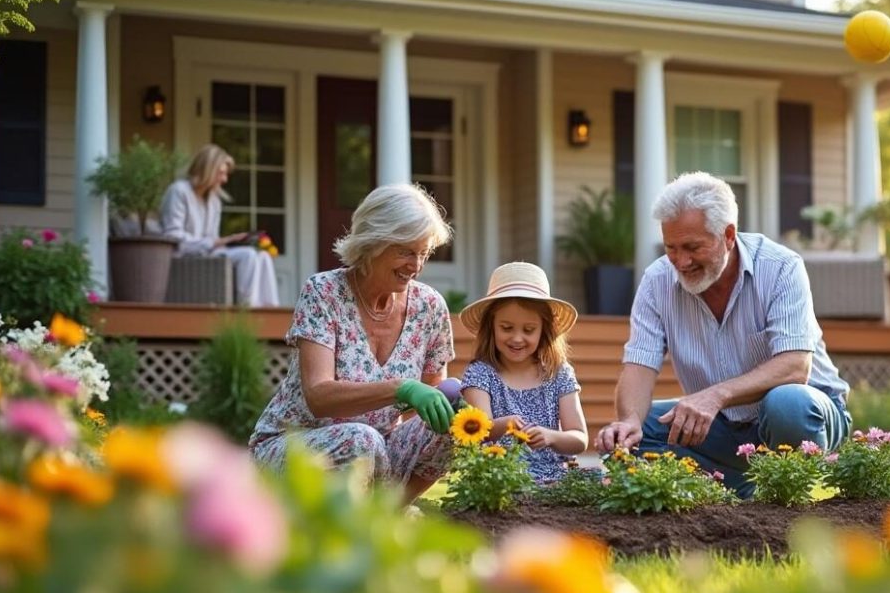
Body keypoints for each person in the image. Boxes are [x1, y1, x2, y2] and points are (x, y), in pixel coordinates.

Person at [595, 171, 852, 498]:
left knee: (787, 403)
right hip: (724, 426)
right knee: (626, 439)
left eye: (692, 247)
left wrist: (714, 395)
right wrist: (629, 419)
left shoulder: (781, 267)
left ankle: (782, 493)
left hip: (803, 415)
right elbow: (639, 365)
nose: (680, 261)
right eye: (671, 247)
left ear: (728, 235)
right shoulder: (656, 280)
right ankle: (732, 490)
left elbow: (794, 368)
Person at [248, 183, 458, 501]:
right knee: (361, 440)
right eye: (405, 251)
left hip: (377, 453)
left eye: (423, 253)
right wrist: (400, 388)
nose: (416, 266)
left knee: (454, 426)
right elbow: (318, 395)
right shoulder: (323, 293)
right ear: (372, 242)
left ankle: (385, 518)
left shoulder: (429, 307)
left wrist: (451, 403)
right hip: (294, 446)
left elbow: (430, 404)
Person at [458, 262, 589, 483]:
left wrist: (551, 436)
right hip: (498, 478)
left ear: (544, 330)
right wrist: (505, 424)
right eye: (507, 328)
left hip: (553, 479)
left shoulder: (558, 373)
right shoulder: (480, 374)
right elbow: (480, 430)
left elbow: (579, 438)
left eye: (528, 330)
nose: (517, 338)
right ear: (491, 327)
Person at [159, 144, 279, 307]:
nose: (224, 179)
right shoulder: (179, 191)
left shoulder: (214, 200)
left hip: (208, 255)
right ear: (207, 169)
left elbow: (212, 240)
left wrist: (232, 241)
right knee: (248, 256)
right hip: (184, 258)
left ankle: (270, 310)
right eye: (221, 173)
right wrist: (218, 241)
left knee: (262, 255)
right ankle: (248, 310)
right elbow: (172, 236)